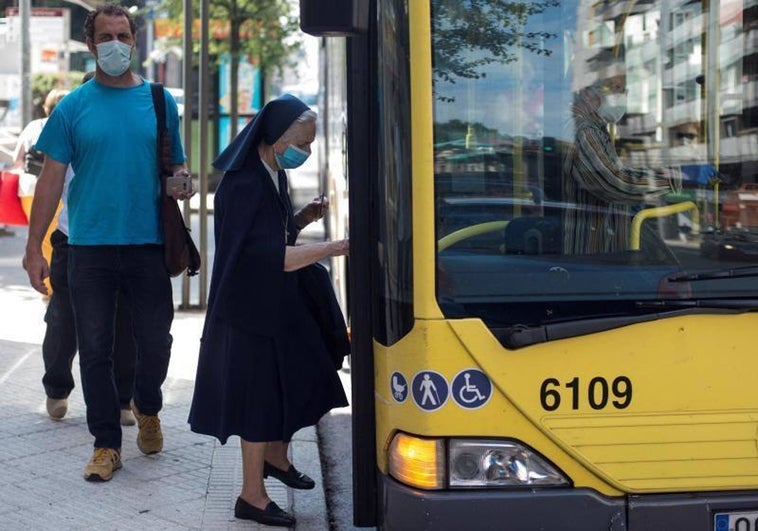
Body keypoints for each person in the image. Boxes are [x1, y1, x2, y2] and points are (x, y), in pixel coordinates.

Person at [23, 4, 191, 482]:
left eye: (123, 35)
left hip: (147, 245)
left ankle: (149, 406)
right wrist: (35, 248)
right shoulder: (74, 106)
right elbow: (51, 181)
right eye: (106, 36)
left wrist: (182, 181)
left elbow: (174, 164)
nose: (116, 43)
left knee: (154, 341)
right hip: (89, 249)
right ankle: (105, 444)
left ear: (134, 41)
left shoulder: (160, 102)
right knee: (94, 348)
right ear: (91, 45)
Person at [188, 94, 349, 527]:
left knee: (308, 374)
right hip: (248, 311)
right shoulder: (243, 183)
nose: (308, 152)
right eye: (303, 143)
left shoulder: (270, 171)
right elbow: (269, 256)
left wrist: (302, 219)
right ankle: (251, 496)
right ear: (276, 139)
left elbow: (268, 234)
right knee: (258, 402)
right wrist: (335, 248)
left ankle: (277, 456)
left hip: (274, 303)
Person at [24, 74, 138, 425]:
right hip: (74, 239)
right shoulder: (70, 122)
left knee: (123, 320)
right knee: (64, 317)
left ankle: (121, 398)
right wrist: (33, 248)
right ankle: (57, 388)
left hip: (125, 241)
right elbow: (48, 186)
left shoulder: (131, 125)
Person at [562, 75, 671, 255]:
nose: (621, 96)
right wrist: (674, 180)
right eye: (614, 88)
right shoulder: (586, 131)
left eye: (623, 90)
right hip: (591, 251)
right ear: (586, 92)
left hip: (595, 244)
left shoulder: (592, 129)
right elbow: (614, 182)